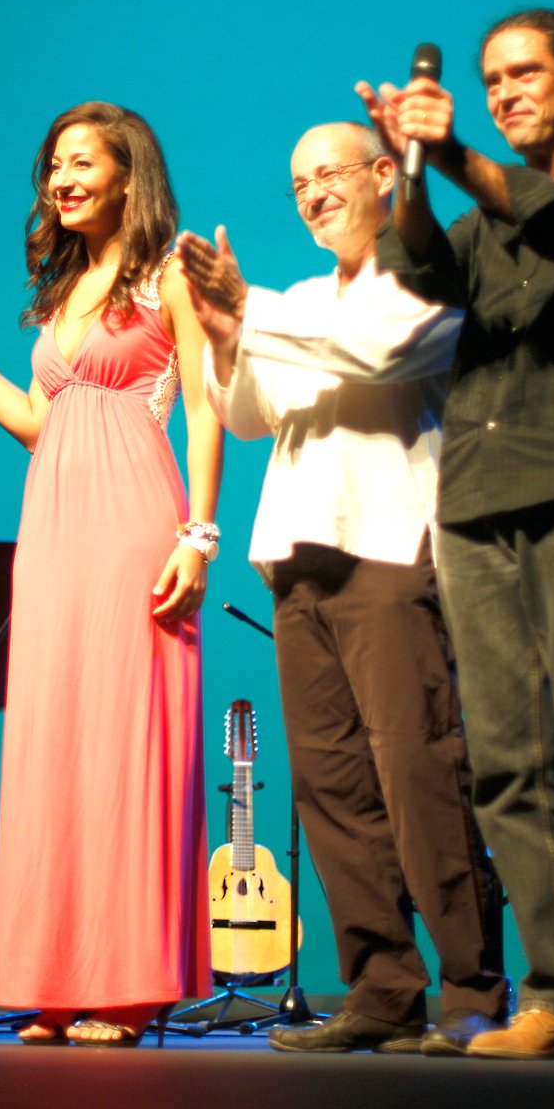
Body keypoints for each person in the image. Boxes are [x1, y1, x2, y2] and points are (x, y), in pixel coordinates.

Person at [358, 8, 554, 1061]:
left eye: (522, 73)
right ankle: (548, 993)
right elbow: (415, 271)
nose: (501, 91)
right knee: (504, 764)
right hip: (474, 501)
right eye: (489, 79)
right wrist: (407, 169)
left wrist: (451, 153)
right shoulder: (476, 219)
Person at [179, 122, 507, 1058]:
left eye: (328, 172)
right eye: (296, 183)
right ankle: (380, 987)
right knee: (331, 786)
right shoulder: (302, 300)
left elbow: (380, 356)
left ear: (379, 174)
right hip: (297, 554)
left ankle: (474, 990)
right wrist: (227, 336)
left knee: (420, 773)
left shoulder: (424, 276)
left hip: (390, 548)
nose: (312, 191)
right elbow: (248, 416)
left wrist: (257, 312)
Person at [0, 101, 221, 1047]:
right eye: (53, 165)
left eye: (80, 161)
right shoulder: (60, 294)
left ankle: (127, 986)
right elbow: (44, 422)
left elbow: (205, 404)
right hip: (49, 528)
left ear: (130, 174)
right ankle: (52, 981)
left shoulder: (170, 274)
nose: (61, 178)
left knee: (127, 743)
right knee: (52, 742)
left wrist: (198, 536)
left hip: (137, 520)